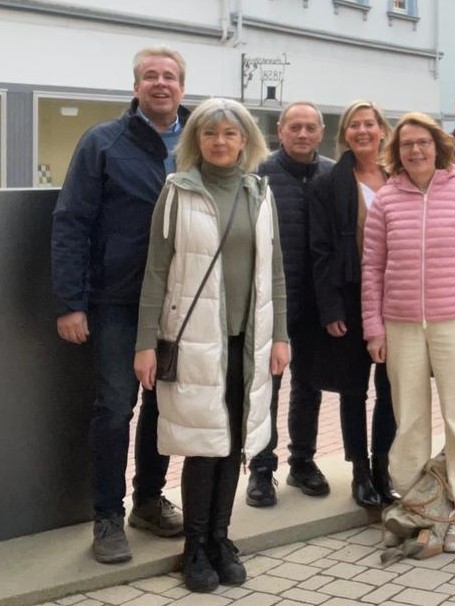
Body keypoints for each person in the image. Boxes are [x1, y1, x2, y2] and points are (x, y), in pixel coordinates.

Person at [133, 98, 289, 592]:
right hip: (197, 340)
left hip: (249, 340)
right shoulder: (178, 192)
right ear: (195, 141)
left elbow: (276, 271)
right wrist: (144, 344)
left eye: (230, 133)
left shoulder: (260, 192)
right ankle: (194, 548)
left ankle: (221, 539)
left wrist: (281, 334)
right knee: (204, 444)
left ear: (246, 140)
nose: (220, 142)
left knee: (236, 441)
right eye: (210, 134)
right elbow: (156, 271)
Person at [51, 46, 188, 564]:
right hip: (116, 301)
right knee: (114, 409)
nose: (160, 83)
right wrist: (71, 302)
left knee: (162, 407)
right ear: (135, 87)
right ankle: (107, 515)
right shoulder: (103, 143)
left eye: (169, 76)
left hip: (179, 306)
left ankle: (149, 502)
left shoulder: (200, 140)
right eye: (150, 76)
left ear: (181, 86)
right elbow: (71, 222)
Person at [361, 112, 455, 553]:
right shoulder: (386, 199)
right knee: (410, 418)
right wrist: (373, 328)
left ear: (438, 146)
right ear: (396, 152)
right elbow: (372, 268)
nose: (415, 150)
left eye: (422, 142)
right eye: (406, 145)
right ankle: (416, 504)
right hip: (400, 323)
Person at [246, 101, 336, 508]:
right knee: (266, 387)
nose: (302, 134)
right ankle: (261, 470)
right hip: (271, 303)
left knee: (309, 387)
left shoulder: (333, 174)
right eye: (294, 127)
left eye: (310, 128)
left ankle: (302, 463)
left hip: (317, 304)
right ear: (280, 131)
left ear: (321, 132)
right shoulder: (259, 175)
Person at [309, 100, 397, 508]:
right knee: (353, 389)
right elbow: (321, 250)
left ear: (382, 130)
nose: (363, 131)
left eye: (370, 124)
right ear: (345, 134)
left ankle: (383, 465)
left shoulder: (401, 177)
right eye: (354, 125)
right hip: (349, 296)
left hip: (398, 299)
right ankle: (360, 470)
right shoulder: (329, 183)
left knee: (392, 387)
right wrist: (330, 308)